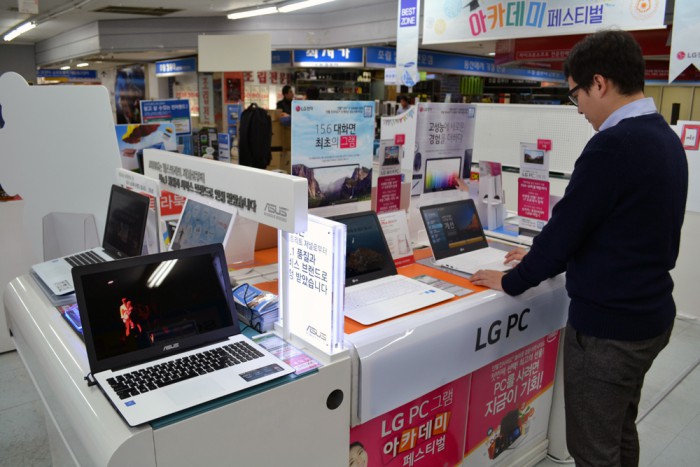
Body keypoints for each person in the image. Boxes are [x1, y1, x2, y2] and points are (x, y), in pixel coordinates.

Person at [470, 30, 688, 467]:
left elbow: (567, 228)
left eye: (576, 95)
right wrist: (541, 254)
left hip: (610, 332)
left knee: (592, 449)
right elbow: (614, 227)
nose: (579, 109)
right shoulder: (663, 137)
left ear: (599, 83)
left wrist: (512, 280)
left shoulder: (613, 144)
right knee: (619, 431)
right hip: (649, 315)